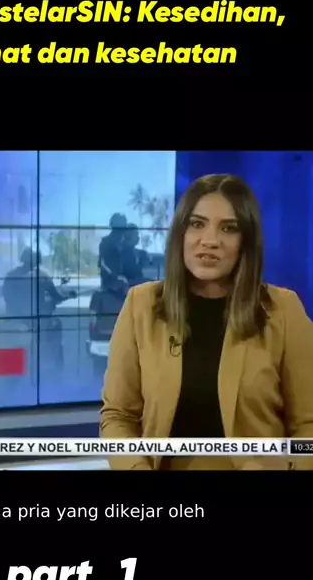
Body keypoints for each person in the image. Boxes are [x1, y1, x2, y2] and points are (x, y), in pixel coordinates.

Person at [100, 174, 313, 471]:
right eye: (197, 224)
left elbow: (308, 426)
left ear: (246, 241)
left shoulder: (283, 310)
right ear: (180, 233)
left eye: (228, 228)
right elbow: (118, 417)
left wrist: (285, 465)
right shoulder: (141, 305)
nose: (210, 241)